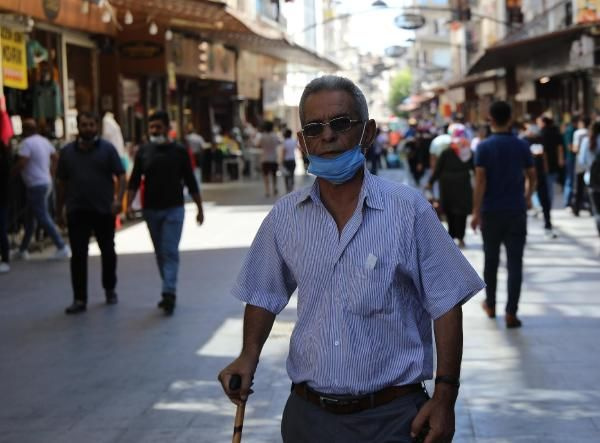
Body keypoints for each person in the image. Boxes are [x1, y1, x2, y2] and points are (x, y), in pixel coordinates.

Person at [218, 75, 485, 443]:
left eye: (341, 123)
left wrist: (444, 396)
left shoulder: (409, 211)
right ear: (302, 142)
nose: (327, 136)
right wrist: (248, 356)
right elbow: (263, 293)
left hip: (394, 420)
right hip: (308, 418)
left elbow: (446, 303)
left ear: (368, 132)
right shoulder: (285, 216)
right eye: (314, 128)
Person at [126, 111, 204, 315]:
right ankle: (168, 287)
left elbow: (190, 180)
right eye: (151, 127)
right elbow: (134, 180)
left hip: (174, 209)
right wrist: (127, 203)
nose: (154, 131)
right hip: (151, 210)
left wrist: (199, 208)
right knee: (160, 252)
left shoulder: (179, 151)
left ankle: (169, 292)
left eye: (158, 127)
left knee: (169, 250)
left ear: (168, 128)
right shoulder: (144, 151)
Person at [471, 101, 536, 328]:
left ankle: (490, 304)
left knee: (491, 260)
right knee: (515, 262)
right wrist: (528, 197)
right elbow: (532, 175)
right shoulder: (521, 145)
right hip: (516, 210)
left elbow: (480, 180)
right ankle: (511, 312)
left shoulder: (484, 147)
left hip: (491, 212)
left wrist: (476, 211)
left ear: (490, 119)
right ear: (510, 119)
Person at [55, 112, 126, 314]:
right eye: (84, 125)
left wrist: (118, 200)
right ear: (78, 127)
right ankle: (79, 298)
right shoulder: (67, 152)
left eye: (91, 124)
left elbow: (121, 175)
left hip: (103, 209)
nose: (88, 128)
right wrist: (59, 210)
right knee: (78, 255)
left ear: (97, 127)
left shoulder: (108, 150)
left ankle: (110, 288)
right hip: (77, 210)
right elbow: (61, 183)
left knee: (108, 251)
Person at [11, 118, 70, 260]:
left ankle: (61, 246)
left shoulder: (26, 143)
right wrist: (51, 172)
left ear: (24, 130)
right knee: (31, 218)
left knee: (42, 216)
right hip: (45, 182)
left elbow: (22, 163)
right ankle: (23, 249)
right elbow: (56, 157)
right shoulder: (43, 141)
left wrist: (10, 174)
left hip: (36, 185)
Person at [427, 126, 473, 248]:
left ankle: (452, 236)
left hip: (447, 185)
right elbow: (475, 168)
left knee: (450, 211)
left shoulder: (447, 151)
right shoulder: (467, 151)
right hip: (463, 185)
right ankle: (460, 237)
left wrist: (430, 182)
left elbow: (438, 169)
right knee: (461, 212)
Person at [521, 122, 555, 238]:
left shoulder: (540, 139)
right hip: (527, 175)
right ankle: (522, 229)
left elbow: (544, 155)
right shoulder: (523, 141)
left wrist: (546, 170)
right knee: (524, 202)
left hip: (539, 175)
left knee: (545, 201)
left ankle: (548, 225)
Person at [539, 116, 565, 209]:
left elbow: (544, 151)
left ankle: (546, 205)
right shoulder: (556, 132)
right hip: (554, 162)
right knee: (550, 185)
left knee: (547, 186)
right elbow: (560, 148)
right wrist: (560, 160)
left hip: (546, 163)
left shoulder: (543, 133)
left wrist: (545, 164)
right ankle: (548, 204)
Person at [257, 121, 281, 197]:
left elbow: (258, 145)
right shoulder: (275, 136)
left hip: (265, 158)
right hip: (273, 158)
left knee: (266, 175)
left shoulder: (262, 136)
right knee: (274, 175)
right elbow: (279, 142)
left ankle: (267, 191)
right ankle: (274, 188)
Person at [0, 141, 10, 273]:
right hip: (4, 199)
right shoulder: (5, 161)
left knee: (1, 229)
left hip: (2, 199)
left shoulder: (3, 163)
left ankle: (5, 258)